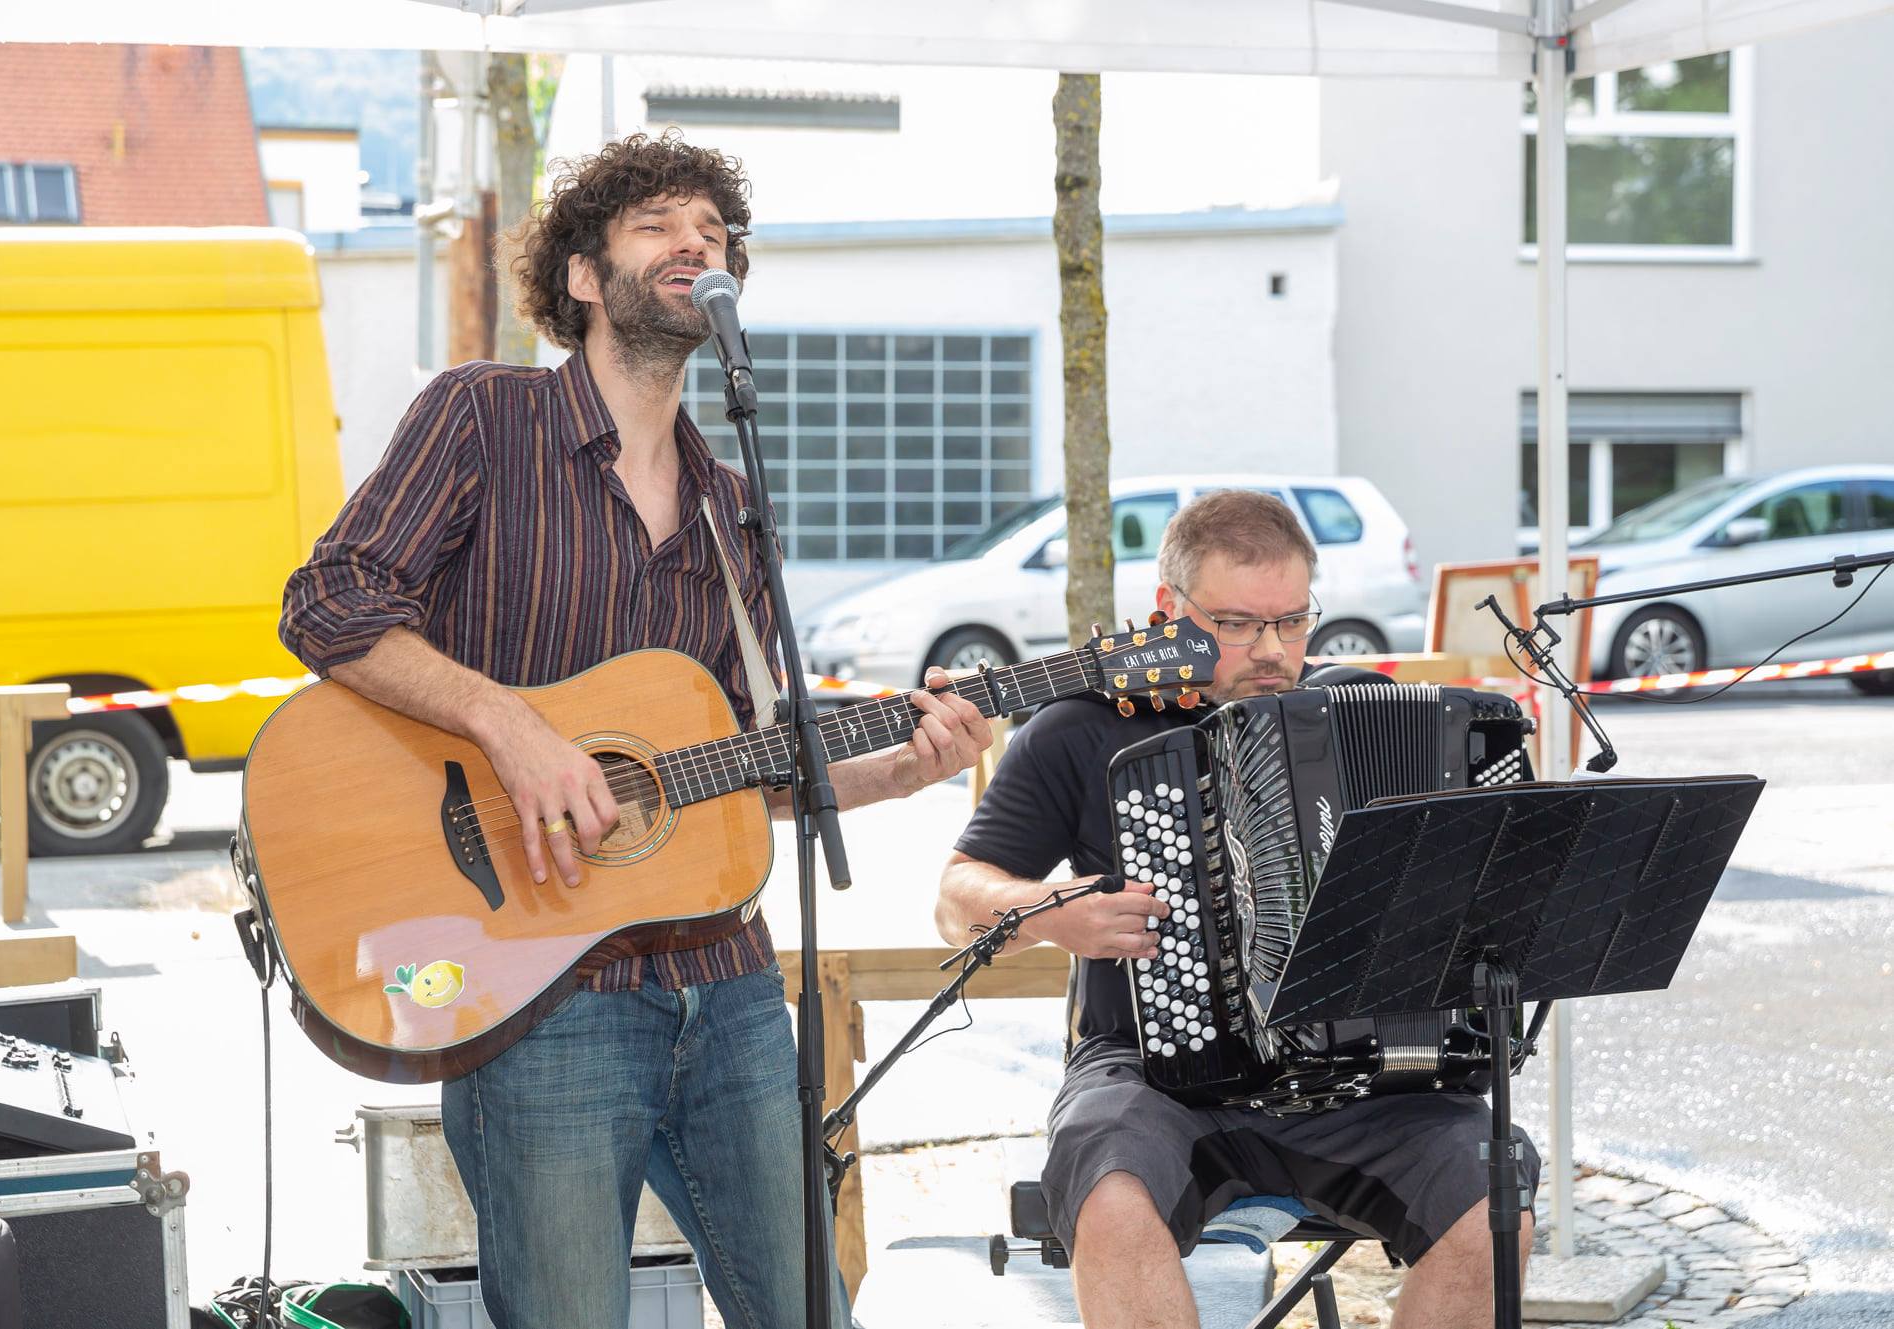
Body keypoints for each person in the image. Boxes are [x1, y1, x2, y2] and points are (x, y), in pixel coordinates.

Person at [280, 131, 993, 1329]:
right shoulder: (483, 418)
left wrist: (903, 770)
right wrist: (510, 728)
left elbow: (749, 767)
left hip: (724, 989)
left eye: (713, 232)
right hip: (537, 990)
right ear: (578, 274)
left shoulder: (731, 504)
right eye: (661, 222)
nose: (694, 244)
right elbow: (329, 600)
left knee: (809, 1313)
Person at [935, 489, 1538, 1329]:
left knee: (1491, 1198)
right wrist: (1048, 910)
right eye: (1237, 624)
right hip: (1155, 1075)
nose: (1272, 651)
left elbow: (1486, 884)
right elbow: (957, 896)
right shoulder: (1080, 729)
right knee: (1109, 1198)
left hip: (1365, 1080)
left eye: (1292, 622)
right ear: (1166, 612)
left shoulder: (1369, 711)